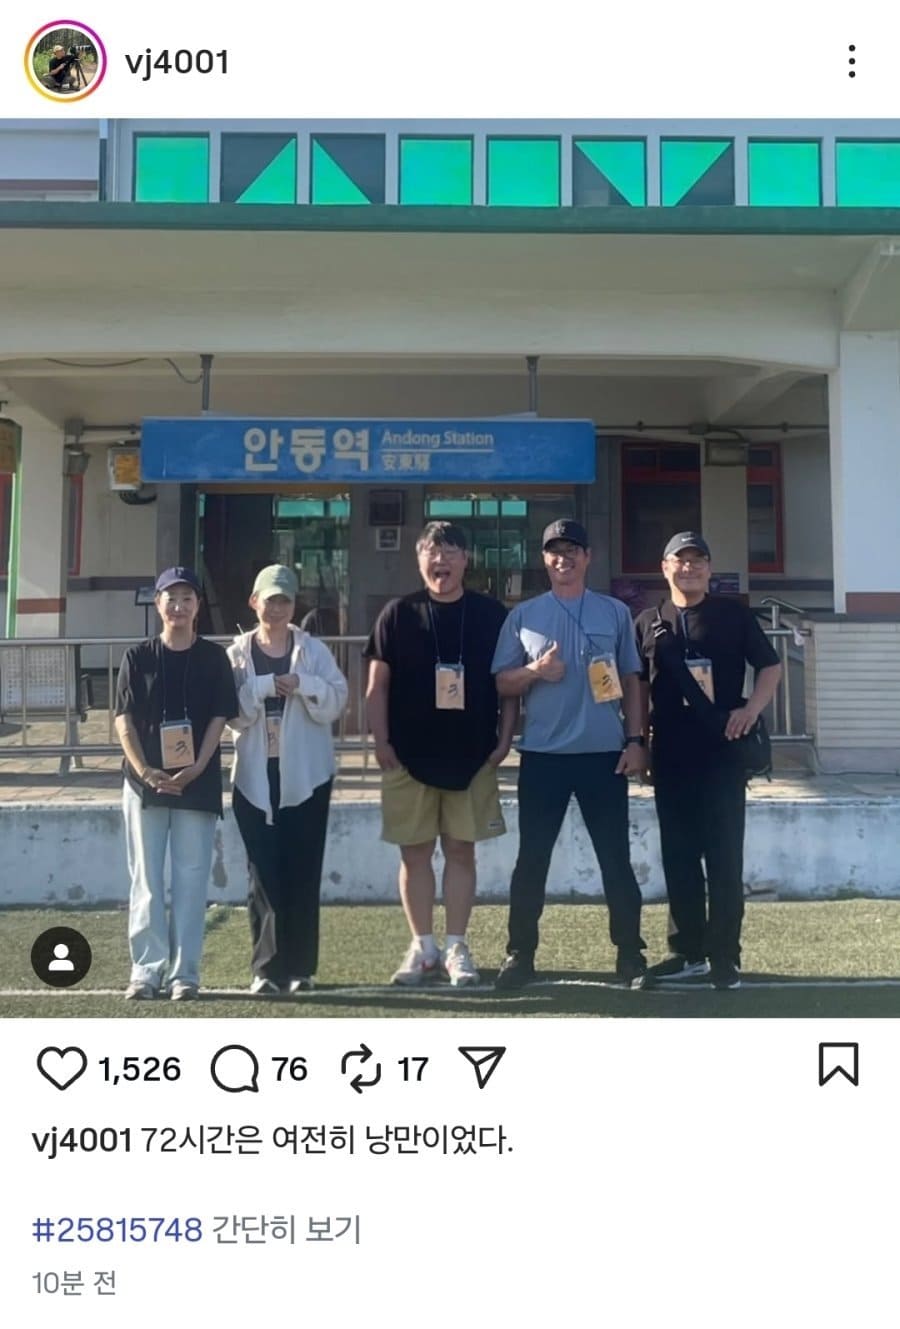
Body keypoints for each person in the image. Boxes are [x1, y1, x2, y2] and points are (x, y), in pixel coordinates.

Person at [491, 519, 647, 989]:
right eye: (554, 550)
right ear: (544, 559)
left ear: (588, 557)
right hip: (543, 757)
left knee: (615, 859)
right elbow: (502, 682)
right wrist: (536, 671)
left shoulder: (614, 612)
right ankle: (520, 954)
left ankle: (629, 953)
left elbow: (633, 679)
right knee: (532, 859)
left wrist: (636, 741)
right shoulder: (523, 616)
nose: (564, 558)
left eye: (573, 549)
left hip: (604, 756)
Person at [365, 521, 517, 987]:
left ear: (466, 560)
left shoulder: (492, 614)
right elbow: (376, 686)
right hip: (408, 757)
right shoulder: (397, 614)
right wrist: (381, 742)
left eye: (451, 551)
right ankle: (423, 946)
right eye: (432, 551)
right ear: (419, 559)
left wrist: (505, 739)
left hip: (472, 755)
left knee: (460, 850)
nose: (441, 560)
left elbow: (508, 685)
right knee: (414, 853)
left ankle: (455, 945)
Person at [634, 532, 782, 990]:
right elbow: (637, 685)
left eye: (698, 561)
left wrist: (750, 709)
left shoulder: (732, 615)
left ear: (710, 569)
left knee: (723, 857)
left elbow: (770, 666)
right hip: (671, 753)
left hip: (722, 752)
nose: (689, 568)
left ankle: (725, 956)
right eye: (681, 560)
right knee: (678, 857)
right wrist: (636, 740)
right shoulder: (646, 622)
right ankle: (686, 953)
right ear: (665, 568)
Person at [114, 567, 238, 1002]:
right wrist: (146, 770)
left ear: (198, 606)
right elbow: (123, 722)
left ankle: (185, 973)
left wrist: (198, 767)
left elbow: (221, 718)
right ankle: (145, 971)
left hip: (196, 784)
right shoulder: (138, 657)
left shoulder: (213, 658)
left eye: (187, 598)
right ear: (158, 603)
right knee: (146, 879)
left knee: (190, 879)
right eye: (171, 597)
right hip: (144, 783)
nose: (179, 606)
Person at [227, 564, 348, 995]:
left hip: (307, 775)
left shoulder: (312, 650)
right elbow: (232, 714)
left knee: (302, 869)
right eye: (270, 599)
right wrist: (260, 688)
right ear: (254, 601)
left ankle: (301, 968)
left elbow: (336, 700)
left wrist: (303, 683)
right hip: (255, 777)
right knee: (262, 873)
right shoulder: (237, 653)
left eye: (285, 600)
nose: (277, 608)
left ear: (294, 605)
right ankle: (266, 968)